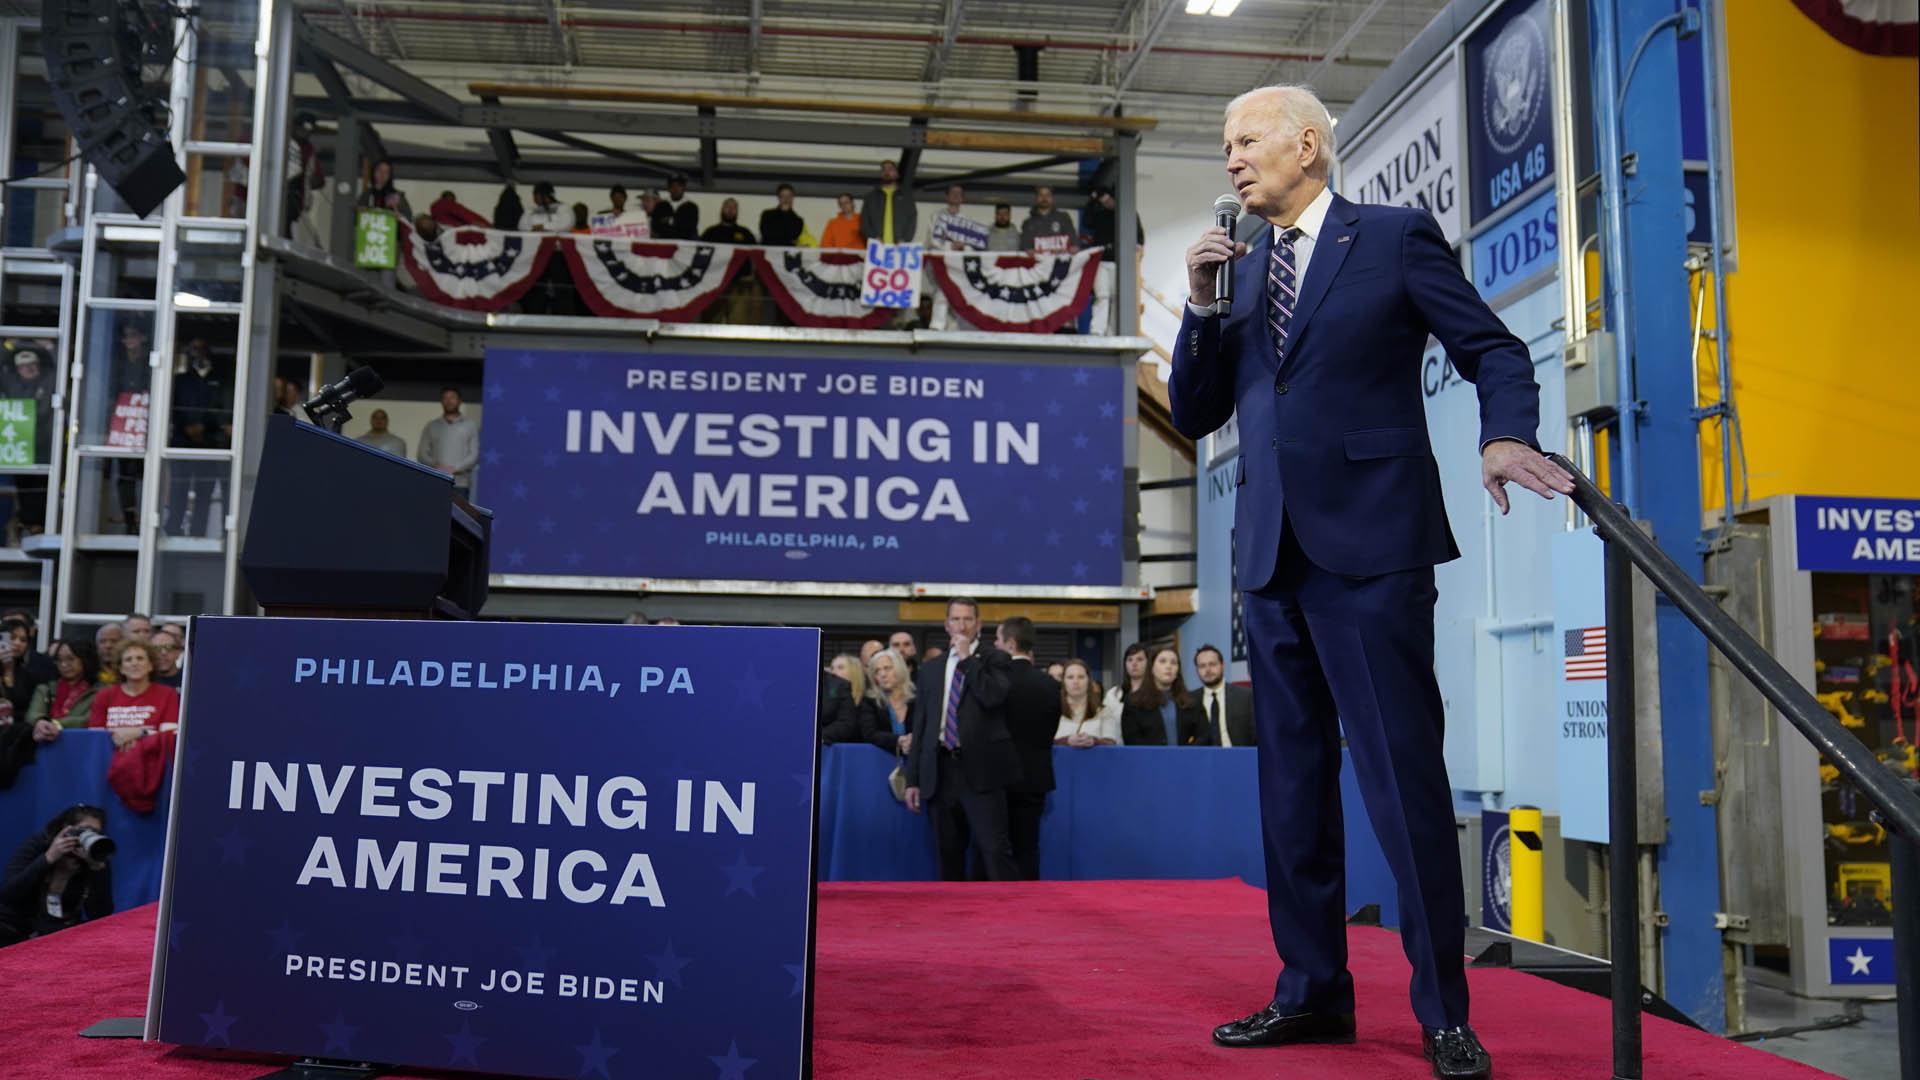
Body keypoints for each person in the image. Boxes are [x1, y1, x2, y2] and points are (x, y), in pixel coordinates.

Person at [1174, 86, 1571, 1078]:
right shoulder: (1240, 266)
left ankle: (1444, 1012)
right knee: (1292, 795)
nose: (1232, 158)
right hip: (1269, 562)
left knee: (1402, 786)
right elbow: (1193, 411)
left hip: (1374, 556)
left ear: (1307, 143)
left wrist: (1505, 434)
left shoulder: (1392, 238)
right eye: (1224, 144)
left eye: (1247, 139)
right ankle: (1310, 993)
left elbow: (1491, 348)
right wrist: (1196, 307)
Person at [902, 597, 1018, 881]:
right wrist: (913, 779)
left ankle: (1010, 916)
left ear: (978, 625)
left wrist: (968, 660)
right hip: (940, 770)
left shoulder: (996, 660)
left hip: (981, 772)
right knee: (947, 853)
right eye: (956, 619)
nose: (962, 625)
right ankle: (951, 920)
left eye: (968, 619)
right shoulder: (931, 669)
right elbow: (922, 725)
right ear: (946, 624)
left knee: (993, 850)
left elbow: (992, 697)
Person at [995, 616, 1058, 880]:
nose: (995, 645)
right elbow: (1050, 730)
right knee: (1029, 848)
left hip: (1000, 777)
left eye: (997, 639)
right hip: (1036, 777)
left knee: (997, 848)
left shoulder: (997, 680)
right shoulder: (1050, 684)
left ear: (1010, 644)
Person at [0, 805, 114, 947]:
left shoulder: (96, 858)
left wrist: (97, 869)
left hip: (57, 933)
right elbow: (9, 894)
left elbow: (100, 915)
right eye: (85, 831)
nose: (90, 836)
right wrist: (48, 858)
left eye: (96, 832)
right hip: (15, 929)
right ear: (66, 829)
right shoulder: (41, 844)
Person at [165, 337, 232, 537]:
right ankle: (174, 530)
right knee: (179, 488)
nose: (197, 353)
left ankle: (198, 532)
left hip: (210, 445)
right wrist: (186, 428)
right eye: (193, 348)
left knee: (204, 491)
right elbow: (172, 409)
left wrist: (205, 426)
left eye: (201, 349)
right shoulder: (180, 380)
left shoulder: (221, 381)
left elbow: (223, 411)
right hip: (182, 443)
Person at [88, 640, 179, 749]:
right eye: (128, 659)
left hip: (151, 760)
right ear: (120, 668)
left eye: (140, 658)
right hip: (111, 760)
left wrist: (141, 732)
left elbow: (170, 735)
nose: (134, 663)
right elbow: (95, 736)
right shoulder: (104, 695)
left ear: (151, 665)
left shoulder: (168, 694)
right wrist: (118, 736)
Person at [1081, 185, 1144, 335]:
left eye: (1109, 200)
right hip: (1101, 262)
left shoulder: (1129, 215)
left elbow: (1140, 238)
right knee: (1102, 295)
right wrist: (1093, 200)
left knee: (1117, 298)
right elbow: (1087, 221)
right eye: (1105, 201)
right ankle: (1097, 330)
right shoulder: (1100, 214)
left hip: (1120, 263)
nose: (1107, 204)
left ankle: (1113, 332)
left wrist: (1136, 248)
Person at [924, 184, 987, 331]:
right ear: (947, 196)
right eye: (953, 193)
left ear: (963, 198)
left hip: (957, 264)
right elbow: (932, 241)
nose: (956, 196)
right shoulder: (936, 216)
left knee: (956, 294)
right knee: (942, 292)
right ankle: (937, 325)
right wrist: (949, 246)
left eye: (959, 193)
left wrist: (963, 246)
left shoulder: (967, 221)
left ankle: (954, 328)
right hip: (940, 261)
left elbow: (973, 245)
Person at [1120, 646, 1206, 746]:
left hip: (1185, 760)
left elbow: (1204, 735)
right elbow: (1132, 740)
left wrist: (1185, 754)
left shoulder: (1191, 702)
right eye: (1162, 661)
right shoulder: (1133, 702)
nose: (1168, 666)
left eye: (1173, 663)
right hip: (1147, 760)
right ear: (1151, 668)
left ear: (1178, 671)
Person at [25, 640, 102, 741]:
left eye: (70, 659)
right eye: (59, 660)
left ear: (85, 659)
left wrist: (57, 724)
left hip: (83, 746)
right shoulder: (46, 689)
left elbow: (89, 719)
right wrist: (41, 722)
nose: (64, 664)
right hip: (46, 745)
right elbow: (33, 714)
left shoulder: (100, 691)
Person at [418, 387, 480, 499]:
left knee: (459, 516)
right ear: (441, 401)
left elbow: (474, 455)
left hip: (461, 483)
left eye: (452, 398)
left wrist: (454, 468)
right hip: (436, 480)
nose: (449, 401)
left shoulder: (470, 425)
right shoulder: (431, 426)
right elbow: (422, 454)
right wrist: (437, 466)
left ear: (459, 401)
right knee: (434, 515)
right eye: (445, 398)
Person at [1194, 643, 1254, 747]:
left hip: (1240, 758)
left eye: (1212, 664)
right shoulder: (1190, 700)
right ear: (1197, 670)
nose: (1207, 670)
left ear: (1223, 666)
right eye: (1202, 666)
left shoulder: (1245, 696)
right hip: (1203, 760)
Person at [1054, 659, 1120, 747]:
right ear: (1063, 681)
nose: (1076, 682)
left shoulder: (1104, 712)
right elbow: (1041, 743)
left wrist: (1094, 741)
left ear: (1088, 681)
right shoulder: (1051, 710)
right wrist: (1067, 741)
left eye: (1081, 677)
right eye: (1070, 677)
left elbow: (1111, 743)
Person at [819, 654, 881, 745]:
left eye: (840, 667)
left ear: (855, 671)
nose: (834, 672)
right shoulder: (831, 706)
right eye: (832, 668)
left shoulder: (870, 702)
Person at [864, 647, 915, 754]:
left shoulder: (916, 699)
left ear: (899, 669)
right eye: (877, 671)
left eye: (887, 668)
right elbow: (869, 734)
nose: (882, 674)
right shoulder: (869, 701)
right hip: (881, 761)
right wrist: (899, 740)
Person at [859, 159, 916, 246]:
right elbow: (864, 222)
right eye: (884, 170)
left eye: (890, 169)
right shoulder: (871, 197)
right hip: (877, 246)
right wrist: (873, 238)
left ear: (897, 174)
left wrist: (904, 239)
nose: (887, 172)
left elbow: (912, 219)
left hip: (900, 246)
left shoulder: (907, 197)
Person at [1018, 185, 1077, 255]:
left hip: (1059, 263)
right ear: (1036, 198)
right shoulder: (1028, 222)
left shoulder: (1063, 218)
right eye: (1041, 195)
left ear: (1052, 198)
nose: (1044, 198)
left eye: (1047, 195)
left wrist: (1074, 247)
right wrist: (1027, 250)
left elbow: (1074, 241)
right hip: (1037, 263)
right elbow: (1024, 246)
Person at [1102, 641, 1149, 711]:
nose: (1134, 663)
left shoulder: (1156, 694)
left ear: (1148, 663)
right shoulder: (1114, 694)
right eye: (1130, 660)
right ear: (1125, 664)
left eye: (1139, 659)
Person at [650, 175, 699, 240]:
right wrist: (679, 222)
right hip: (665, 243)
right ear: (668, 189)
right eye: (672, 186)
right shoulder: (661, 206)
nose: (675, 189)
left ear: (684, 188)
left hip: (685, 244)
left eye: (679, 186)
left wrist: (670, 221)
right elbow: (655, 226)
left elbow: (690, 227)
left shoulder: (691, 207)